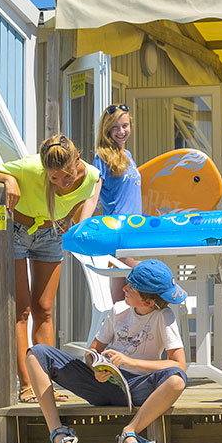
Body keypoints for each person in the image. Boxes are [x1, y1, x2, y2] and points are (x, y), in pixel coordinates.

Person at [0, 135, 102, 403]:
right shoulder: (31, 168)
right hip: (17, 232)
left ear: (77, 161)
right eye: (53, 179)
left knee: (43, 309)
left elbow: (86, 195)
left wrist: (72, 221)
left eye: (66, 177)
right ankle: (27, 385)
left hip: (51, 235)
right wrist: (7, 179)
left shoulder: (90, 175)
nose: (60, 184)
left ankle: (46, 385)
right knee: (21, 309)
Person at [23, 259, 188, 443]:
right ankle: (58, 434)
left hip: (138, 388)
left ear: (148, 302)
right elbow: (92, 350)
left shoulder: (164, 316)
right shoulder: (118, 311)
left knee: (177, 379)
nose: (125, 288)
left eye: (132, 288)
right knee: (36, 354)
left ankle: (130, 432)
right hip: (103, 383)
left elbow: (179, 364)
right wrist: (96, 368)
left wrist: (129, 362)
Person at [92, 104, 143, 301]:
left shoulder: (127, 155)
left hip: (135, 229)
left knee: (125, 292)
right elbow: (93, 196)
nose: (121, 131)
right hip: (120, 232)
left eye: (125, 125)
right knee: (145, 279)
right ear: (107, 130)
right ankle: (116, 330)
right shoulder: (102, 158)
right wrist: (81, 226)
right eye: (115, 127)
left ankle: (119, 331)